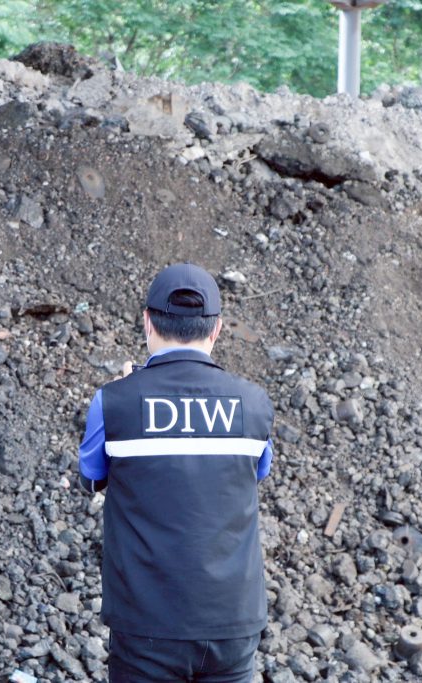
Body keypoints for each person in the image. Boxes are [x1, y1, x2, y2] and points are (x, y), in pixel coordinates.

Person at [78, 262, 275, 683]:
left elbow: (91, 474)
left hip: (146, 623)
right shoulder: (255, 404)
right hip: (233, 621)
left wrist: (127, 392)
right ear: (217, 329)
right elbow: (253, 474)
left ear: (147, 321)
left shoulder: (114, 402)